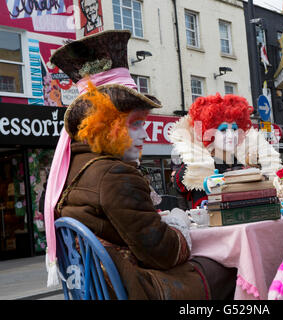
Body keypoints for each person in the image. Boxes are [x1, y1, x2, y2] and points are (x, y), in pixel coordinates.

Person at [44, 30, 234, 300]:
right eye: (135, 123)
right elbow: (165, 253)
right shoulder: (114, 174)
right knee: (229, 268)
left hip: (101, 290)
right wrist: (180, 222)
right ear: (107, 128)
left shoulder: (74, 167)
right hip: (138, 289)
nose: (144, 133)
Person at [168, 93, 282, 209]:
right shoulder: (201, 165)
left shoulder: (241, 163)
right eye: (223, 130)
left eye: (234, 129)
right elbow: (180, 182)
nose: (231, 135)